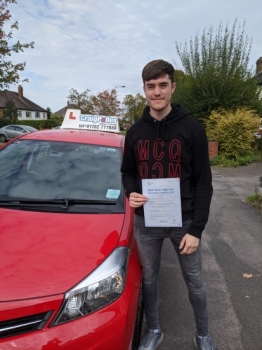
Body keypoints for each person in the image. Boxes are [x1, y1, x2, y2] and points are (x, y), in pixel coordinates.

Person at [121, 60, 215, 350]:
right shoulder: (135, 132)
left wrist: (196, 229)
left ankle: (203, 335)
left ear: (172, 87)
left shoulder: (192, 130)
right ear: (145, 90)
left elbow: (203, 183)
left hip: (183, 223)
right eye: (151, 86)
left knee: (195, 282)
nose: (157, 92)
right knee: (149, 280)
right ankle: (155, 330)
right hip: (146, 222)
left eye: (163, 85)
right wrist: (131, 192)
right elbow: (128, 171)